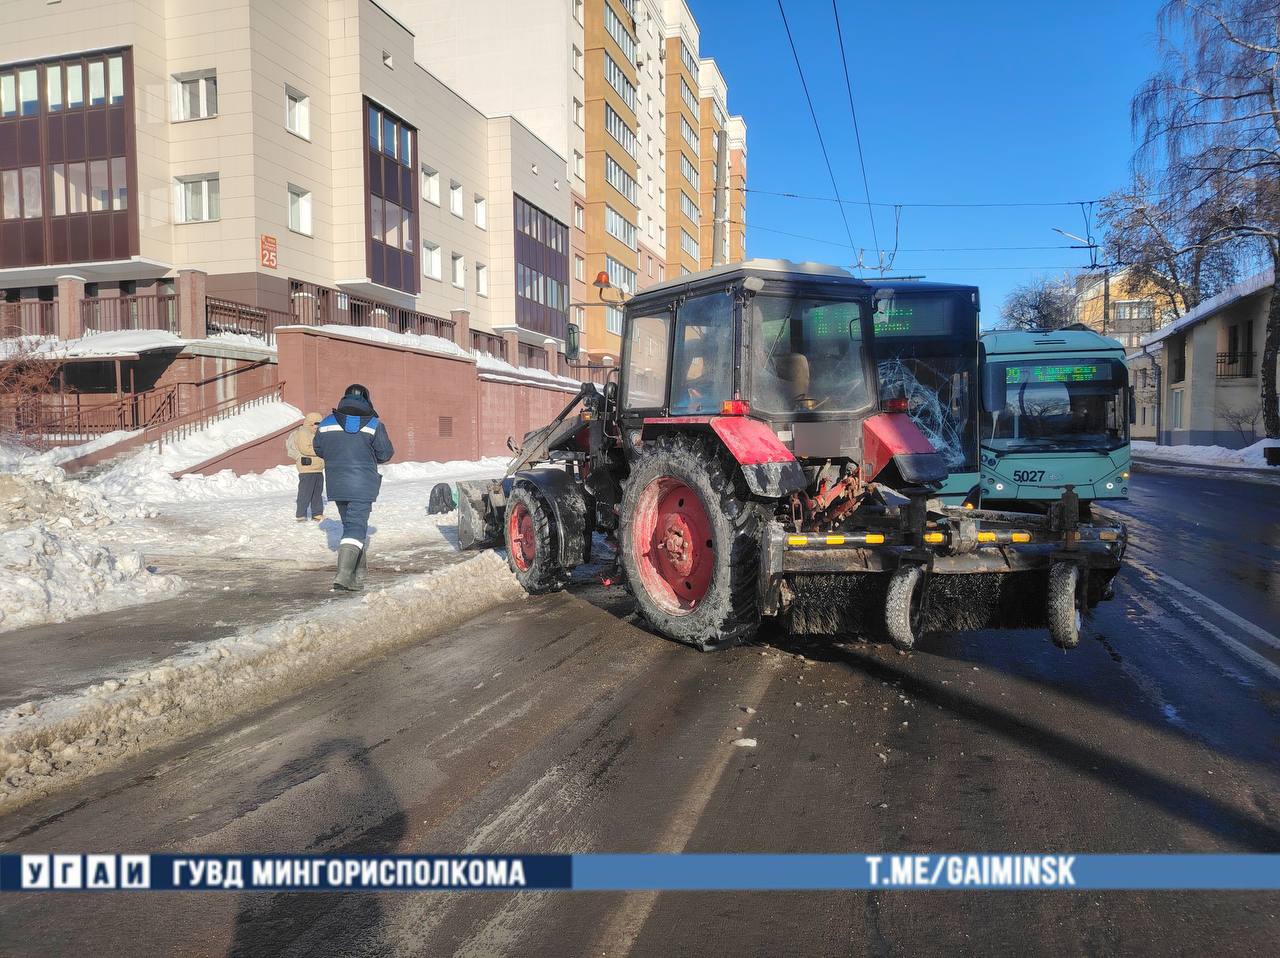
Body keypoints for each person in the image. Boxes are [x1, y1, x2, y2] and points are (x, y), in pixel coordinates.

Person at [312, 384, 394, 591]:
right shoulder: (374, 424)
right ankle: (344, 576)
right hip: (362, 484)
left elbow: (319, 448)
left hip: (336, 482)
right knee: (356, 526)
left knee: (350, 525)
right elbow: (385, 453)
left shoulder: (326, 422)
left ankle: (358, 574)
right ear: (367, 400)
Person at [285, 412, 326, 522]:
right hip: (307, 468)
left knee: (317, 493)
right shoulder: (303, 432)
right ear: (310, 423)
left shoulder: (317, 434)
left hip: (317, 468)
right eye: (317, 423)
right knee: (305, 492)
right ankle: (301, 514)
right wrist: (321, 451)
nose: (318, 426)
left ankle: (317, 514)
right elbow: (305, 449)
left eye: (320, 423)